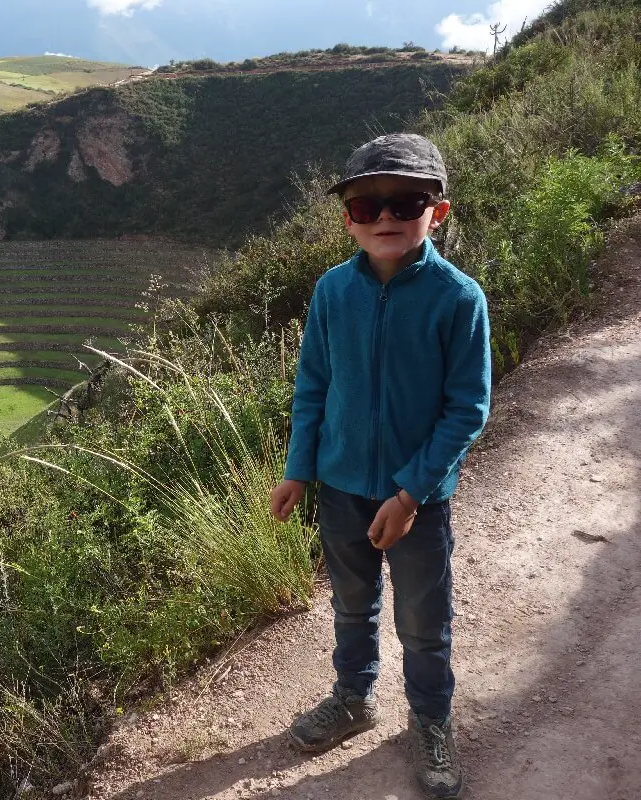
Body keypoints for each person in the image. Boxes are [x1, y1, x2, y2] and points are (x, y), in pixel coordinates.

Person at [269, 133, 492, 800]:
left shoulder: (458, 299)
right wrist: (298, 469)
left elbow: (467, 409)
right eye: (368, 205)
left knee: (423, 619)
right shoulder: (333, 292)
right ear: (348, 218)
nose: (386, 217)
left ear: (439, 213)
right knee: (350, 607)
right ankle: (354, 698)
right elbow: (313, 386)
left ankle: (430, 720)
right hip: (339, 488)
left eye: (407, 202)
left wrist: (411, 493)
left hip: (416, 501)